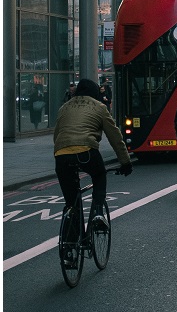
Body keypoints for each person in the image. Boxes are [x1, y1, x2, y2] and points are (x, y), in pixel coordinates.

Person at [53, 78, 133, 231]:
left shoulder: (64, 107)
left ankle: (70, 235)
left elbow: (57, 135)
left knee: (71, 201)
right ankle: (97, 213)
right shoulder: (99, 107)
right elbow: (115, 137)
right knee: (99, 175)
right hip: (87, 151)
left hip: (61, 154)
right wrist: (125, 162)